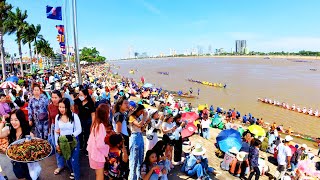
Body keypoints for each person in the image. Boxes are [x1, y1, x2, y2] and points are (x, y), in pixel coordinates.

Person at [0, 110, 33, 179]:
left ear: (21, 120)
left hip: (28, 164)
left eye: (16, 120)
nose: (13, 122)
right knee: (20, 177)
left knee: (31, 177)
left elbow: (33, 149)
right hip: (16, 163)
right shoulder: (9, 130)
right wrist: (3, 122)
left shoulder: (28, 133)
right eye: (11, 120)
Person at [54, 98, 82, 180]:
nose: (61, 109)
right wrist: (56, 144)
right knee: (68, 160)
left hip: (74, 141)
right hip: (63, 143)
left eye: (64, 107)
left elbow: (79, 129)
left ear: (68, 107)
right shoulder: (57, 117)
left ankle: (77, 177)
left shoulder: (74, 116)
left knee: (74, 161)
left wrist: (70, 136)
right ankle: (73, 171)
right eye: (60, 107)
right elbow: (56, 132)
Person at [87, 104, 110, 180]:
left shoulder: (95, 123)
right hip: (98, 155)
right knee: (100, 175)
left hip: (93, 153)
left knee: (98, 174)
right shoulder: (101, 126)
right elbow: (100, 145)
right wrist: (107, 149)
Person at [74, 88, 95, 155]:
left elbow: (93, 114)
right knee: (79, 134)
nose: (80, 96)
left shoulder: (90, 103)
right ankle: (80, 146)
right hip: (80, 120)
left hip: (88, 121)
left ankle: (86, 149)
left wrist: (92, 124)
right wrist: (77, 97)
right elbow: (72, 103)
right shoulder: (78, 101)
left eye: (81, 95)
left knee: (87, 135)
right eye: (79, 95)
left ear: (85, 96)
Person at [128, 104, 147, 180]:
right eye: (141, 111)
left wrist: (144, 124)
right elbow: (139, 125)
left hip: (139, 136)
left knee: (140, 158)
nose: (142, 113)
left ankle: (139, 177)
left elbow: (141, 129)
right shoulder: (131, 117)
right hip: (134, 137)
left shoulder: (139, 117)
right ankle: (132, 177)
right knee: (134, 158)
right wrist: (144, 118)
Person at [48, 90, 64, 175]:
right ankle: (60, 165)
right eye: (52, 97)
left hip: (64, 129)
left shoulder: (63, 106)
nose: (54, 99)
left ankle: (70, 165)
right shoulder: (50, 106)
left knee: (65, 146)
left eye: (56, 97)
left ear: (60, 98)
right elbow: (50, 118)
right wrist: (50, 131)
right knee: (56, 146)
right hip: (54, 128)